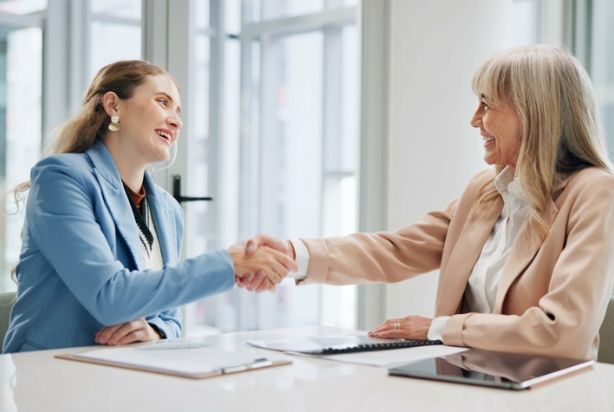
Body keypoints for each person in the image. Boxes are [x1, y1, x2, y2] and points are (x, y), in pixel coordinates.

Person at [239, 45, 614, 360]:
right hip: (467, 381)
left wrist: (438, 329)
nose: (474, 120)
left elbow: (561, 332)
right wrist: (290, 254)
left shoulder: (595, 194)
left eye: (486, 105)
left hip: (546, 395)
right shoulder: (485, 191)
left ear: (533, 113)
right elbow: (396, 249)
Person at [2, 60, 294, 353]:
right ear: (113, 106)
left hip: (127, 371)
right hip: (49, 375)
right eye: (162, 102)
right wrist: (229, 264)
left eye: (178, 111)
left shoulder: (168, 209)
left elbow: (171, 315)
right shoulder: (61, 178)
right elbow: (109, 296)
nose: (176, 121)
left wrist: (156, 331)